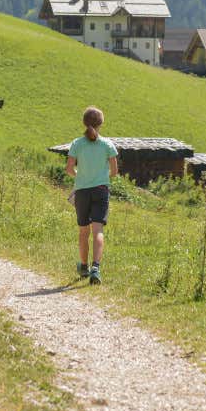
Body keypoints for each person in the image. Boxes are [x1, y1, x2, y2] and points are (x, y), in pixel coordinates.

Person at [66, 106, 118, 285]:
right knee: (98, 231)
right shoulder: (108, 144)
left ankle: (83, 266)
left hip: (82, 191)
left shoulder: (76, 144)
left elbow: (69, 169)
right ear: (101, 124)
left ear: (84, 122)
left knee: (83, 231)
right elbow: (114, 171)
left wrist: (81, 176)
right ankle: (96, 268)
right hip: (101, 190)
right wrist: (102, 178)